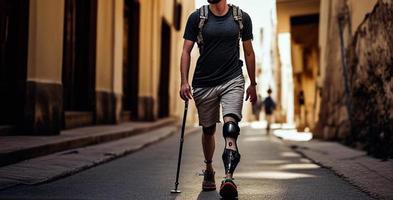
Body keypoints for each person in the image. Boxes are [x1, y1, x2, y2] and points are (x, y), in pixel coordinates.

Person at [179, 0, 257, 198]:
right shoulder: (197, 17)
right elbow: (186, 50)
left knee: (230, 128)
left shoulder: (241, 18)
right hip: (204, 83)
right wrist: (184, 81)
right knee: (208, 130)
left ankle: (229, 177)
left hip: (233, 79)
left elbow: (248, 51)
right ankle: (209, 169)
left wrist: (253, 83)